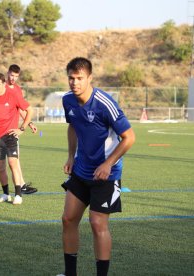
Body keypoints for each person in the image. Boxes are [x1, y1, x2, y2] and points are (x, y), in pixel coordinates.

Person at [59, 57, 135, 276]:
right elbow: (72, 126)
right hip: (81, 170)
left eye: (79, 78)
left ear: (90, 78)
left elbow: (129, 137)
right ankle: (70, 273)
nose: (75, 83)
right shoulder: (68, 100)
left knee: (97, 223)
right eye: (71, 78)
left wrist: (107, 163)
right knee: (68, 219)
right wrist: (71, 157)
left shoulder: (104, 103)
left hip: (107, 175)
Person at [0, 64, 38, 194]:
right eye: (11, 75)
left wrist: (28, 124)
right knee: (1, 161)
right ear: (7, 74)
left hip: (11, 131)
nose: (13, 78)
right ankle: (16, 187)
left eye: (16, 76)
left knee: (11, 161)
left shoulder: (16, 90)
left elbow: (22, 109)